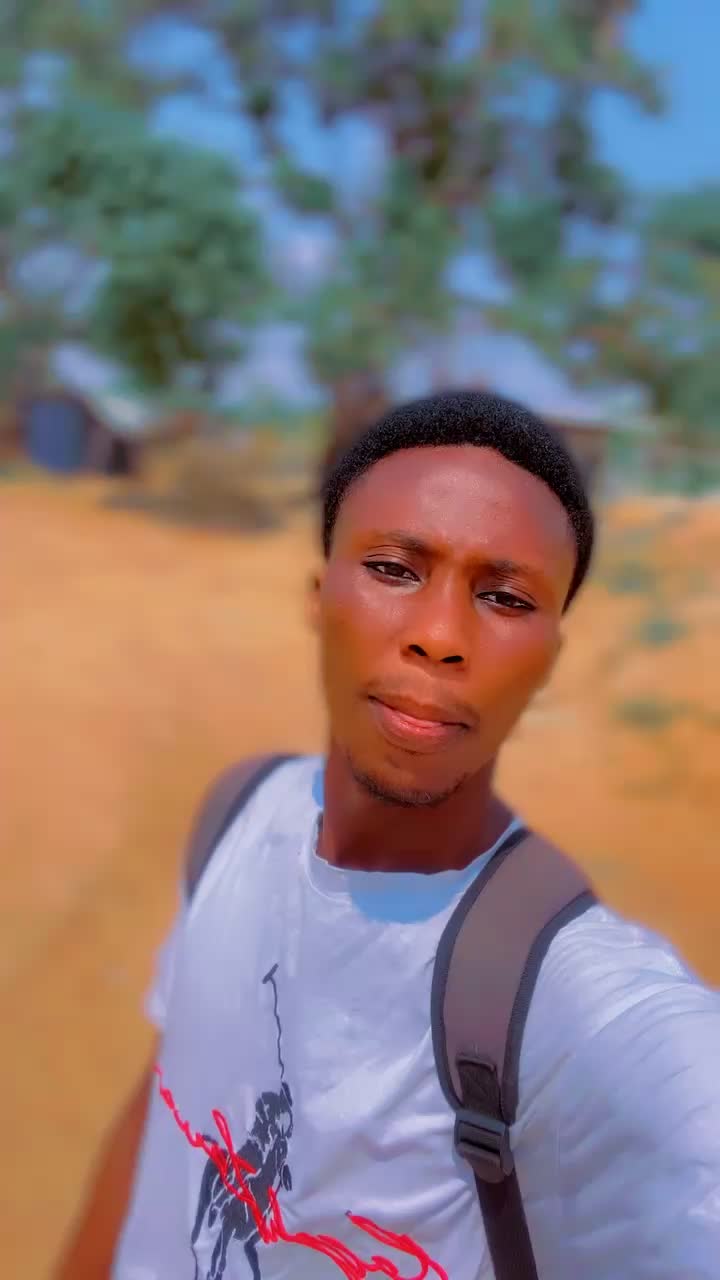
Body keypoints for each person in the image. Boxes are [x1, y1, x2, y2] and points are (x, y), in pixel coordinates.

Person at [56, 390, 720, 1280]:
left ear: (551, 659)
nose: (440, 637)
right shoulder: (238, 817)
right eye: (395, 569)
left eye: (504, 597)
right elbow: (169, 1100)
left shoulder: (573, 1003)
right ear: (317, 596)